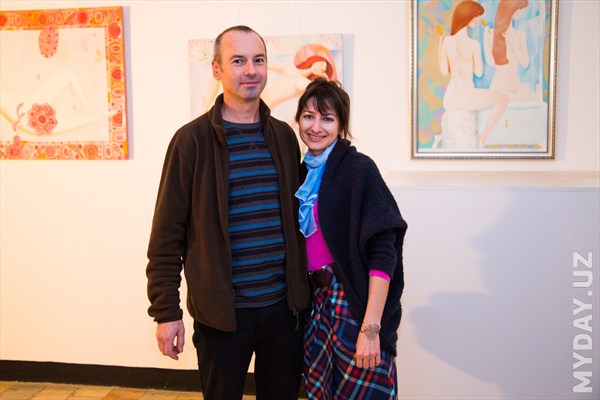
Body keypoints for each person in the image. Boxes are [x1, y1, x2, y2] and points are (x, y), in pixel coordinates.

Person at [146, 25, 310, 400]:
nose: (250, 70)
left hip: (284, 313)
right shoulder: (191, 141)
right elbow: (166, 237)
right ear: (217, 70)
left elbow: (302, 219)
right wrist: (166, 312)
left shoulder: (284, 137)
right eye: (238, 61)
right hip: (222, 317)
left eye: (258, 60)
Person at [294, 78, 408, 399]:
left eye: (328, 118)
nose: (316, 127)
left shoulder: (358, 169)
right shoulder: (298, 172)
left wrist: (371, 328)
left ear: (341, 126)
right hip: (315, 309)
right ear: (298, 120)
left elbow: (384, 251)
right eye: (308, 116)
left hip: (353, 305)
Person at [438, 0, 508, 147]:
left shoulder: (446, 41)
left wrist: (440, 47)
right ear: (466, 17)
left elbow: (444, 71)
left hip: (450, 97)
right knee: (503, 99)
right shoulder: (473, 45)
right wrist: (486, 42)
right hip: (466, 95)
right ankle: (484, 135)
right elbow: (479, 72)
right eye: (475, 16)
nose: (477, 19)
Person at [484, 0, 531, 102]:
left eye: (522, 8)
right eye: (519, 8)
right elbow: (491, 63)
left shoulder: (520, 35)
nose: (522, 11)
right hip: (499, 87)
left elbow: (525, 63)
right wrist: (486, 40)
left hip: (515, 87)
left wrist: (513, 45)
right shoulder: (491, 34)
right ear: (510, 9)